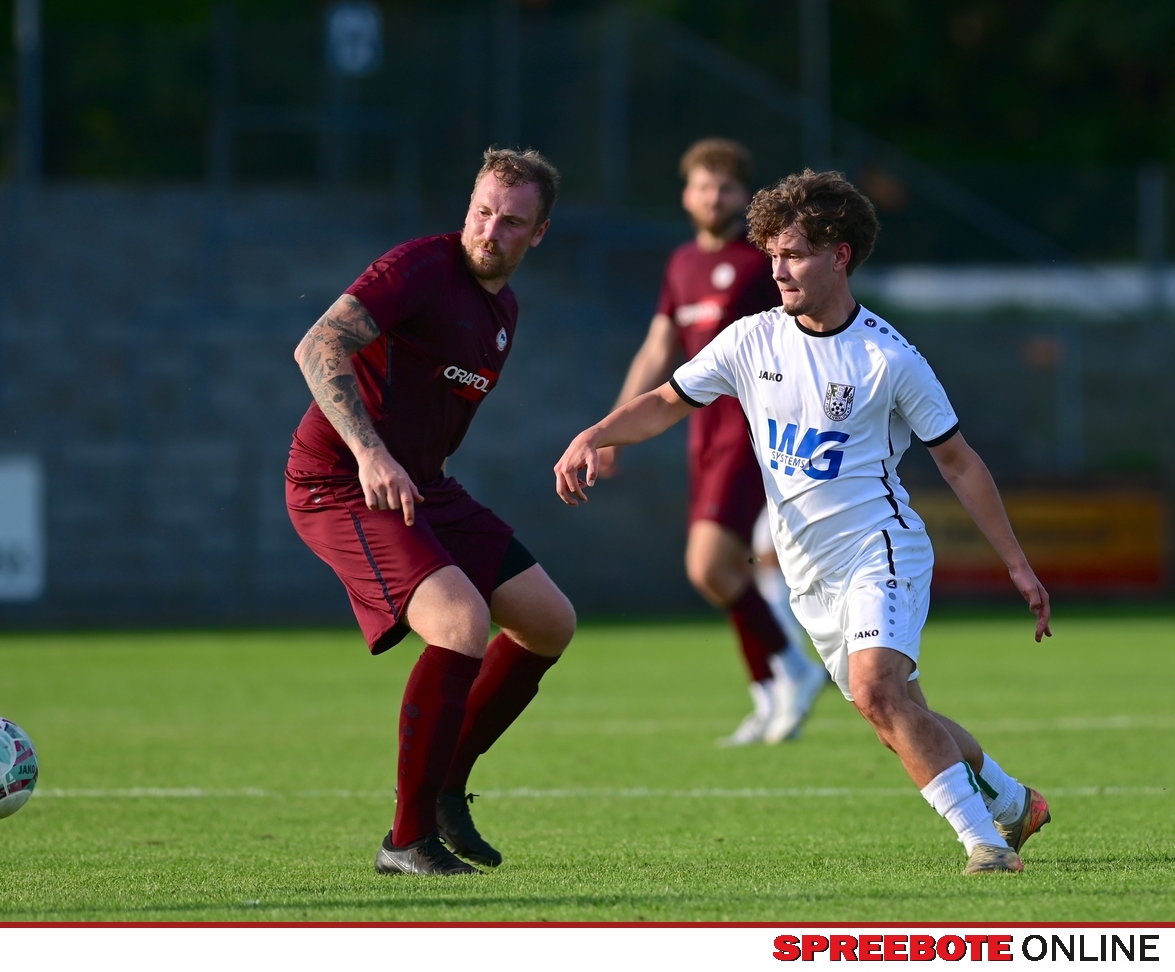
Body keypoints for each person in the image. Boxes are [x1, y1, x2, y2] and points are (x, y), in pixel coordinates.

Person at [554, 169, 1053, 875]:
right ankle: (1013, 801)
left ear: (839, 255)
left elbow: (959, 463)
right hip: (808, 572)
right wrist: (595, 434)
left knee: (878, 691)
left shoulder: (888, 358)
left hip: (880, 549)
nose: (777, 270)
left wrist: (1017, 564)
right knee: (897, 715)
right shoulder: (750, 340)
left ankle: (987, 846)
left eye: (793, 255)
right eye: (772, 255)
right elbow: (666, 401)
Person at [287, 148, 575, 877]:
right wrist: (368, 452)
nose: (490, 231)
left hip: (421, 485)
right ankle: (406, 840)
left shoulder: (504, 310)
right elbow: (318, 343)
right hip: (339, 480)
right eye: (482, 212)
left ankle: (445, 789)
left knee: (548, 621)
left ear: (539, 233)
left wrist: (407, 466)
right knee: (458, 623)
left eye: (512, 222)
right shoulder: (419, 267)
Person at [599, 138, 824, 746]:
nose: (713, 197)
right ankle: (769, 691)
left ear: (743, 196)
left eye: (725, 187)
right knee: (718, 573)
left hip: (752, 431)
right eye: (703, 185)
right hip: (702, 430)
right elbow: (658, 348)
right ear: (686, 195)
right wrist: (614, 428)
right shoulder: (680, 264)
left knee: (708, 565)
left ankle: (796, 668)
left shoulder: (762, 264)